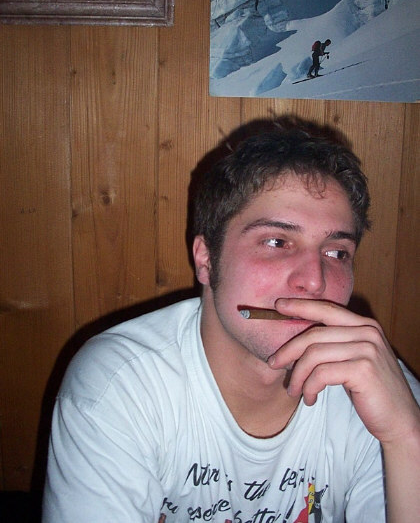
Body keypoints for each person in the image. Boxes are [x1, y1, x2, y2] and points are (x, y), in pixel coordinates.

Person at [43, 117, 420, 522]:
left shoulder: (377, 388)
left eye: (336, 252)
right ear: (206, 259)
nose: (315, 280)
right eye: (276, 241)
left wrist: (406, 436)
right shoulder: (121, 384)